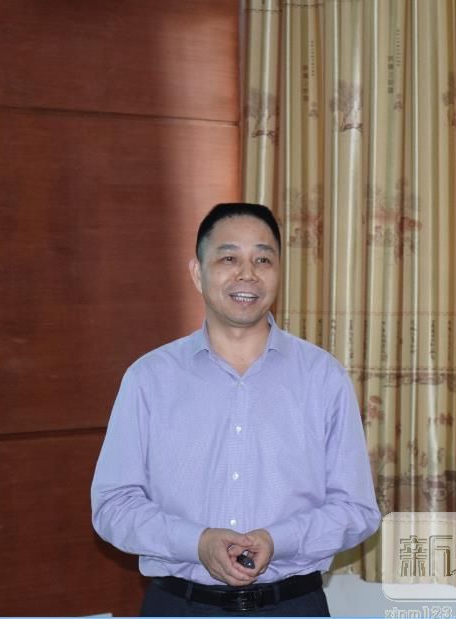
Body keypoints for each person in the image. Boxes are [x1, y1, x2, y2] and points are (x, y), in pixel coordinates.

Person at [91, 202, 380, 616]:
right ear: (198, 273)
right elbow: (113, 506)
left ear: (278, 273)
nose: (247, 274)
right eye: (229, 258)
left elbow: (356, 509)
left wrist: (279, 540)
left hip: (292, 606)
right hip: (180, 606)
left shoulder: (322, 377)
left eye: (263, 259)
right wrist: (197, 543)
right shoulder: (150, 378)